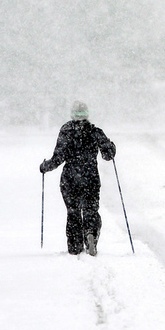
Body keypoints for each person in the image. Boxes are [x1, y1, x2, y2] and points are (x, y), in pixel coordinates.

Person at [39, 101, 116, 256]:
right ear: (87, 114)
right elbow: (108, 155)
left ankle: (75, 246)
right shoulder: (95, 132)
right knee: (90, 210)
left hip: (70, 179)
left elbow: (58, 157)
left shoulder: (66, 131)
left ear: (72, 114)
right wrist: (111, 148)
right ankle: (90, 233)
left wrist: (45, 167)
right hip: (91, 178)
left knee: (73, 212)